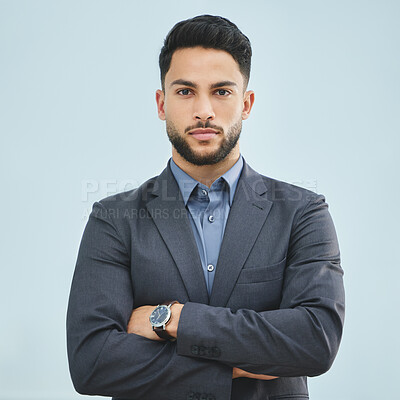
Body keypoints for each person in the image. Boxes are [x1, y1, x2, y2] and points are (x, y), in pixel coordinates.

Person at [67, 14, 345, 400]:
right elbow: (92, 362)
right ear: (161, 103)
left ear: (246, 103)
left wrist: (171, 320)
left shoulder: (303, 212)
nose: (204, 111)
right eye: (185, 92)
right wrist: (240, 362)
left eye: (221, 91)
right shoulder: (114, 219)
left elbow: (315, 340)